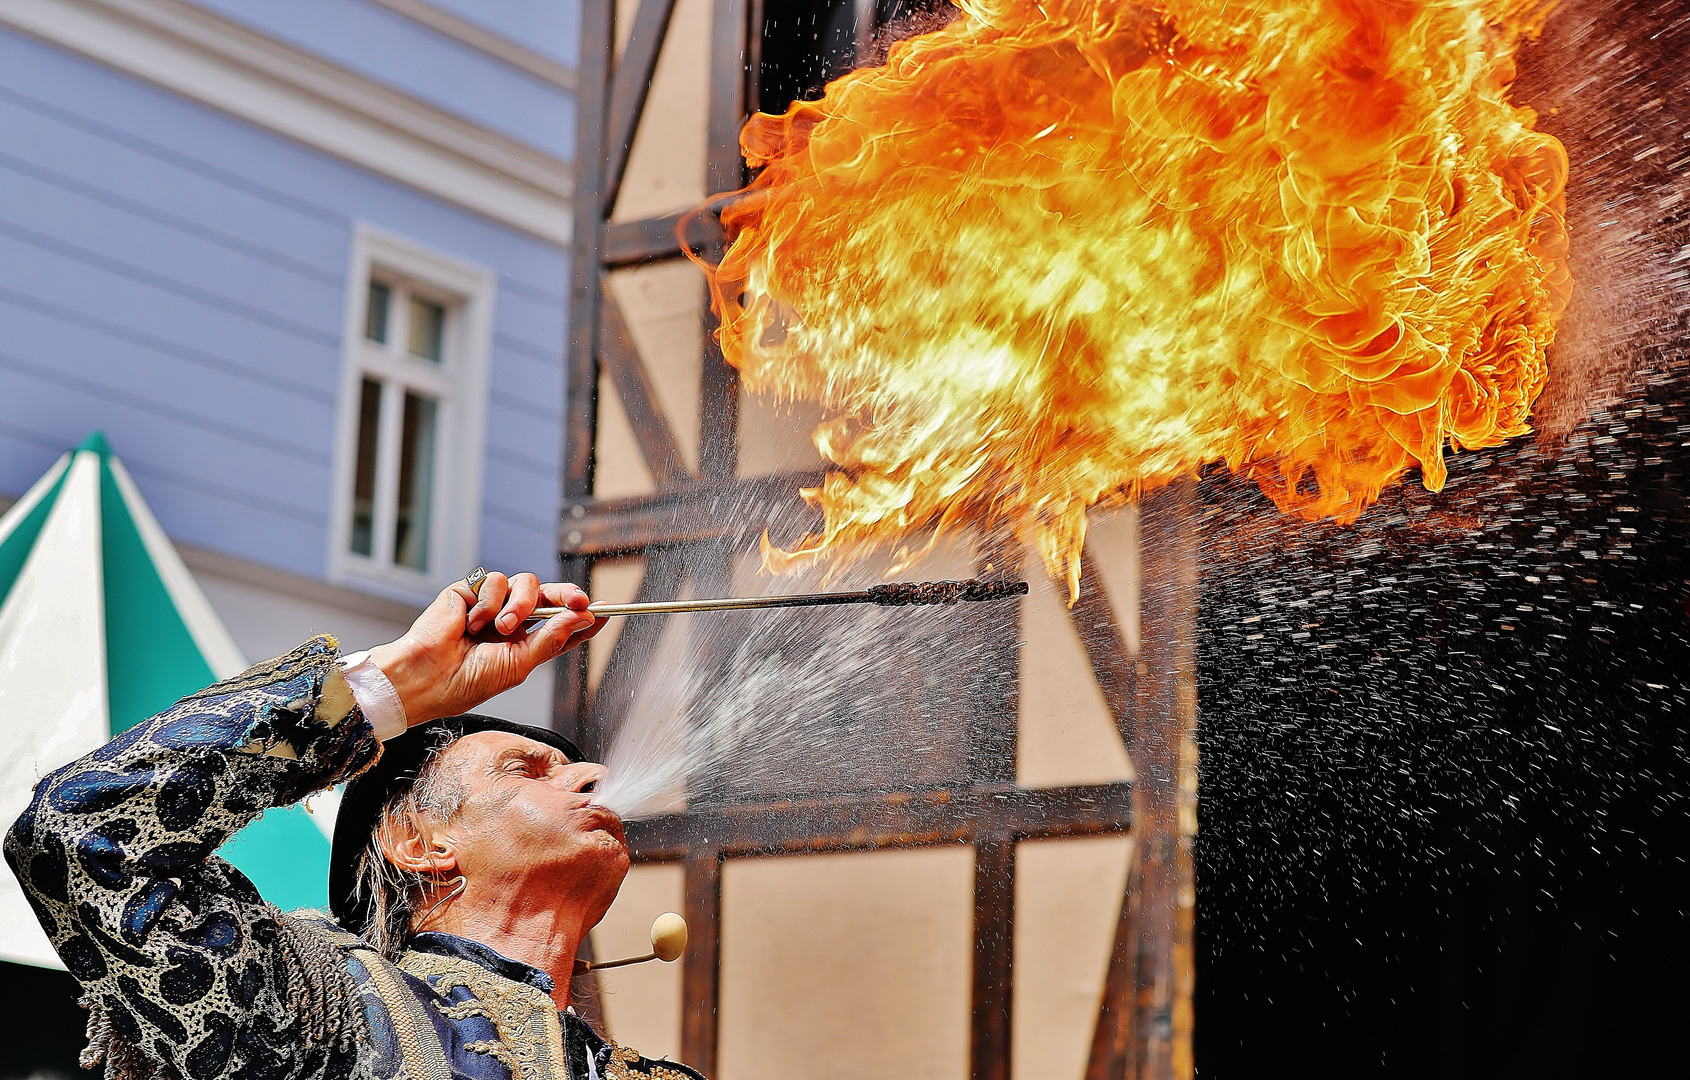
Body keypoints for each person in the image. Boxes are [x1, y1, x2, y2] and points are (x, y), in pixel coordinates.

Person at [5, 570, 703, 1080]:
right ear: (420, 842)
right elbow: (79, 830)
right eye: (528, 769)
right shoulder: (321, 1006)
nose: (593, 779)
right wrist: (394, 686)